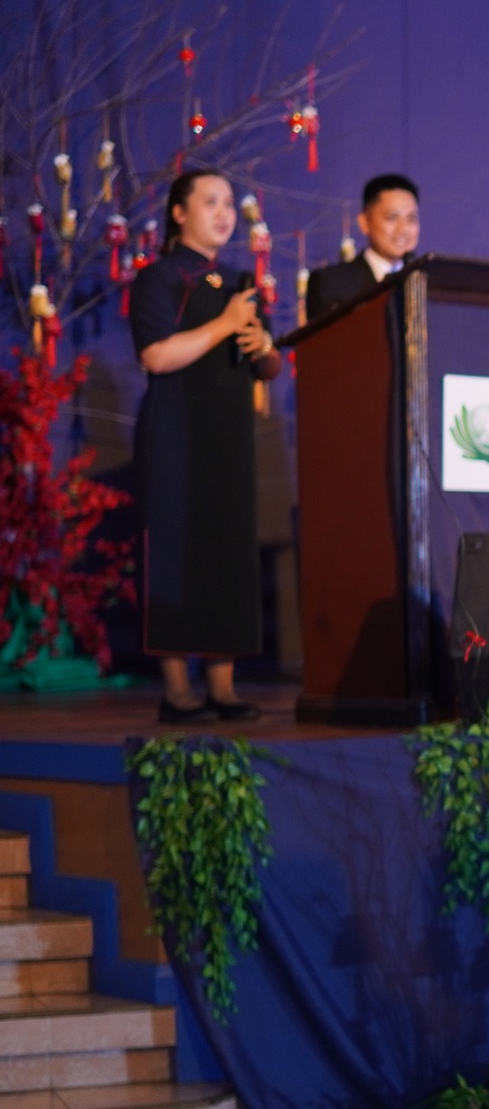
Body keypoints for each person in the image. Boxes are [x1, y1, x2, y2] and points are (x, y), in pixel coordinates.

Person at [130, 169, 283, 723]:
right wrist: (224, 326)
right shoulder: (159, 279)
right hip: (176, 433)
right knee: (176, 550)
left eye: (228, 204)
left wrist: (264, 342)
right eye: (209, 202)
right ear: (179, 212)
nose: (223, 214)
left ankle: (223, 686)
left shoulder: (240, 282)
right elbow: (156, 357)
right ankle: (177, 692)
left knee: (227, 552)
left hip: (228, 437)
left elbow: (266, 366)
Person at [304, 173, 419, 319]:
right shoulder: (330, 283)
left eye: (411, 218)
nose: (403, 229)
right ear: (364, 222)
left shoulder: (430, 282)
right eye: (392, 217)